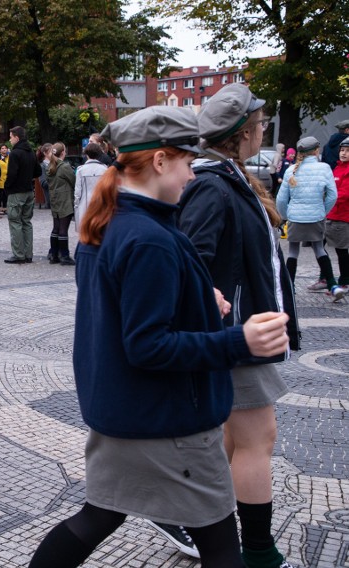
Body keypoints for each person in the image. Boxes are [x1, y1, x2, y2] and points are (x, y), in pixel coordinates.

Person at [30, 105, 291, 568]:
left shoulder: (113, 222)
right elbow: (147, 345)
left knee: (98, 517)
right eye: (188, 163)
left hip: (125, 411)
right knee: (219, 545)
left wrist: (196, 295)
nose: (193, 176)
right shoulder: (147, 236)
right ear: (159, 161)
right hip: (166, 420)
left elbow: (119, 310)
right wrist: (240, 341)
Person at [178, 83, 302, 568]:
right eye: (261, 122)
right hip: (234, 338)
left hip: (239, 334)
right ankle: (257, 553)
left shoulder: (227, 177)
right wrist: (221, 324)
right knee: (257, 438)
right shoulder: (213, 184)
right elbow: (192, 264)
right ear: (242, 133)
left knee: (231, 441)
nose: (265, 127)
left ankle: (211, 534)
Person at [276, 136, 341, 299]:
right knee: (319, 249)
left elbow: (281, 199)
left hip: (295, 217)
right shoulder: (325, 168)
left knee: (293, 251)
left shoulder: (291, 170)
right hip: (316, 217)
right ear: (316, 150)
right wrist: (322, 211)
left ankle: (289, 286)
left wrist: (285, 215)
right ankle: (333, 285)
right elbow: (332, 195)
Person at [3, 126, 41, 263]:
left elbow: (11, 174)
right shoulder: (31, 152)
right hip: (29, 191)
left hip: (16, 192)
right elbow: (38, 172)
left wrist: (7, 187)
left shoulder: (15, 153)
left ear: (17, 138)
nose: (9, 139)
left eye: (11, 136)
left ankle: (19, 255)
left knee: (15, 222)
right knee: (27, 222)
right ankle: (28, 254)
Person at [325, 137, 349, 298]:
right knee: (319, 248)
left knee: (341, 251)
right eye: (342, 150)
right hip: (329, 215)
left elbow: (344, 194)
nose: (344, 153)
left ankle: (344, 281)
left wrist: (327, 198)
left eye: (347, 151)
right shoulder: (337, 168)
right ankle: (326, 278)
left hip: (342, 217)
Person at [46, 142, 76, 265]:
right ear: (63, 152)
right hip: (65, 200)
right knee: (63, 229)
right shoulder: (64, 167)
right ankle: (64, 255)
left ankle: (54, 254)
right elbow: (74, 182)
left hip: (55, 200)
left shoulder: (51, 166)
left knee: (56, 228)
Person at [74, 143, 108, 231]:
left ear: (87, 154)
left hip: (85, 205)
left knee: (86, 234)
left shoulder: (80, 170)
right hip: (101, 205)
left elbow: (77, 193)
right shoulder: (105, 169)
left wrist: (76, 208)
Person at [37, 143, 53, 209]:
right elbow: (43, 183)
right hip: (50, 200)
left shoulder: (56, 163)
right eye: (51, 151)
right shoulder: (42, 166)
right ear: (45, 153)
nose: (54, 152)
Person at [0, 144, 10, 216]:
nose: (4, 150)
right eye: (2, 148)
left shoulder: (9, 157)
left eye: (5, 148)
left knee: (6, 195)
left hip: (7, 179)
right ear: (0, 150)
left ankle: (5, 208)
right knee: (0, 195)